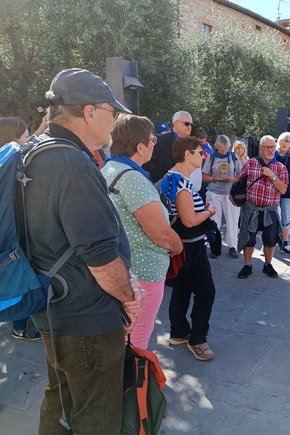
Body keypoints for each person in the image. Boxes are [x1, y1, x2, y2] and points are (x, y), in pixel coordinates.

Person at [28, 68, 140, 434]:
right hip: (86, 319)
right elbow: (101, 259)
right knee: (97, 418)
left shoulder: (36, 152)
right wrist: (129, 298)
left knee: (60, 402)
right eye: (112, 112)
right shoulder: (73, 164)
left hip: (53, 308)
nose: (115, 122)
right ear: (89, 111)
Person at [102, 114, 183, 349]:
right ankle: (134, 375)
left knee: (123, 339)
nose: (154, 144)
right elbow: (161, 233)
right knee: (136, 344)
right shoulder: (132, 179)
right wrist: (178, 247)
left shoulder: (108, 169)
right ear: (140, 147)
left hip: (123, 271)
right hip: (142, 276)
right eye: (152, 139)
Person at [159, 137, 218, 361]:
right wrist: (209, 211)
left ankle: (179, 331)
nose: (203, 156)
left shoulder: (172, 178)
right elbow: (190, 220)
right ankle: (198, 340)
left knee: (182, 289)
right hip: (190, 248)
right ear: (187, 154)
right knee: (206, 292)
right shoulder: (180, 184)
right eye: (199, 152)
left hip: (181, 247)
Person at [0, 116, 38, 341]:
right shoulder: (14, 158)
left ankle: (20, 326)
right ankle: (22, 327)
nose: (29, 141)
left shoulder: (3, 162)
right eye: (26, 137)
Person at [236, 135, 288, 279]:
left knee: (270, 240)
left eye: (272, 147)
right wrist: (234, 195)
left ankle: (268, 265)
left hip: (270, 209)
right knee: (249, 239)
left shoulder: (281, 168)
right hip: (251, 207)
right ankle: (247, 265)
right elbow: (238, 179)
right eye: (267, 147)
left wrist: (272, 176)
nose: (270, 150)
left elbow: (284, 190)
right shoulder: (251, 163)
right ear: (260, 148)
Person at [202, 134, 242, 258]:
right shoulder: (211, 157)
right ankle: (215, 248)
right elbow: (204, 176)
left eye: (225, 149)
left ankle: (233, 246)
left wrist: (233, 179)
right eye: (221, 150)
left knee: (232, 221)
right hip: (214, 192)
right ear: (216, 147)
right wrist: (216, 178)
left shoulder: (234, 157)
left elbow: (240, 173)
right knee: (214, 221)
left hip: (230, 193)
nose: (223, 152)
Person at [142, 110, 193, 183]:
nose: (190, 127)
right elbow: (146, 162)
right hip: (161, 185)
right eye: (187, 124)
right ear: (176, 124)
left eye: (191, 124)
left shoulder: (191, 144)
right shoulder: (160, 140)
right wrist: (165, 177)